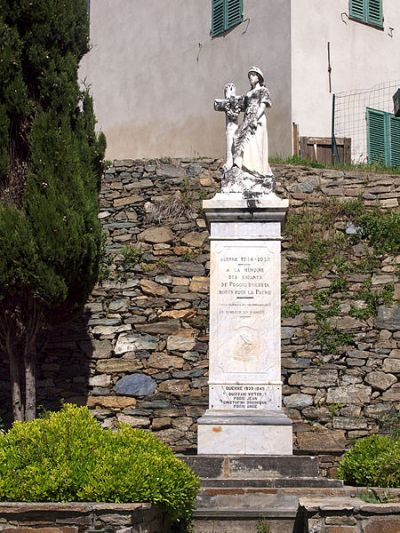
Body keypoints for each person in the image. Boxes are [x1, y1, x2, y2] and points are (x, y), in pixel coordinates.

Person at [233, 67, 272, 177]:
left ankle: (256, 169)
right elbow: (242, 105)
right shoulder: (249, 93)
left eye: (253, 75)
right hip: (247, 117)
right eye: (250, 75)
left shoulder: (263, 90)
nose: (251, 77)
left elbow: (262, 106)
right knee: (237, 136)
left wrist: (255, 118)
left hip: (257, 118)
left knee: (255, 142)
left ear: (259, 77)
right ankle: (241, 164)